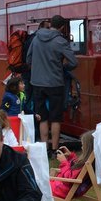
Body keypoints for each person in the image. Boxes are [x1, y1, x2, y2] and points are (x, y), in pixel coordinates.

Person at [27, 14, 78, 155]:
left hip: (37, 83)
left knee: (42, 117)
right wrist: (62, 68)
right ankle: (55, 150)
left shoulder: (36, 38)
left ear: (50, 24)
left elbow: (28, 59)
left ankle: (44, 149)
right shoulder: (60, 41)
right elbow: (74, 62)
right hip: (55, 83)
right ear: (62, 27)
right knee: (55, 117)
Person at [50, 130, 92, 200]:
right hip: (62, 187)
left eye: (83, 145)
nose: (81, 147)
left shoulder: (84, 164)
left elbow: (68, 178)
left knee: (38, 184)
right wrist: (71, 156)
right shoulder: (88, 162)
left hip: (61, 190)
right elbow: (74, 171)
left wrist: (64, 162)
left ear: (88, 148)